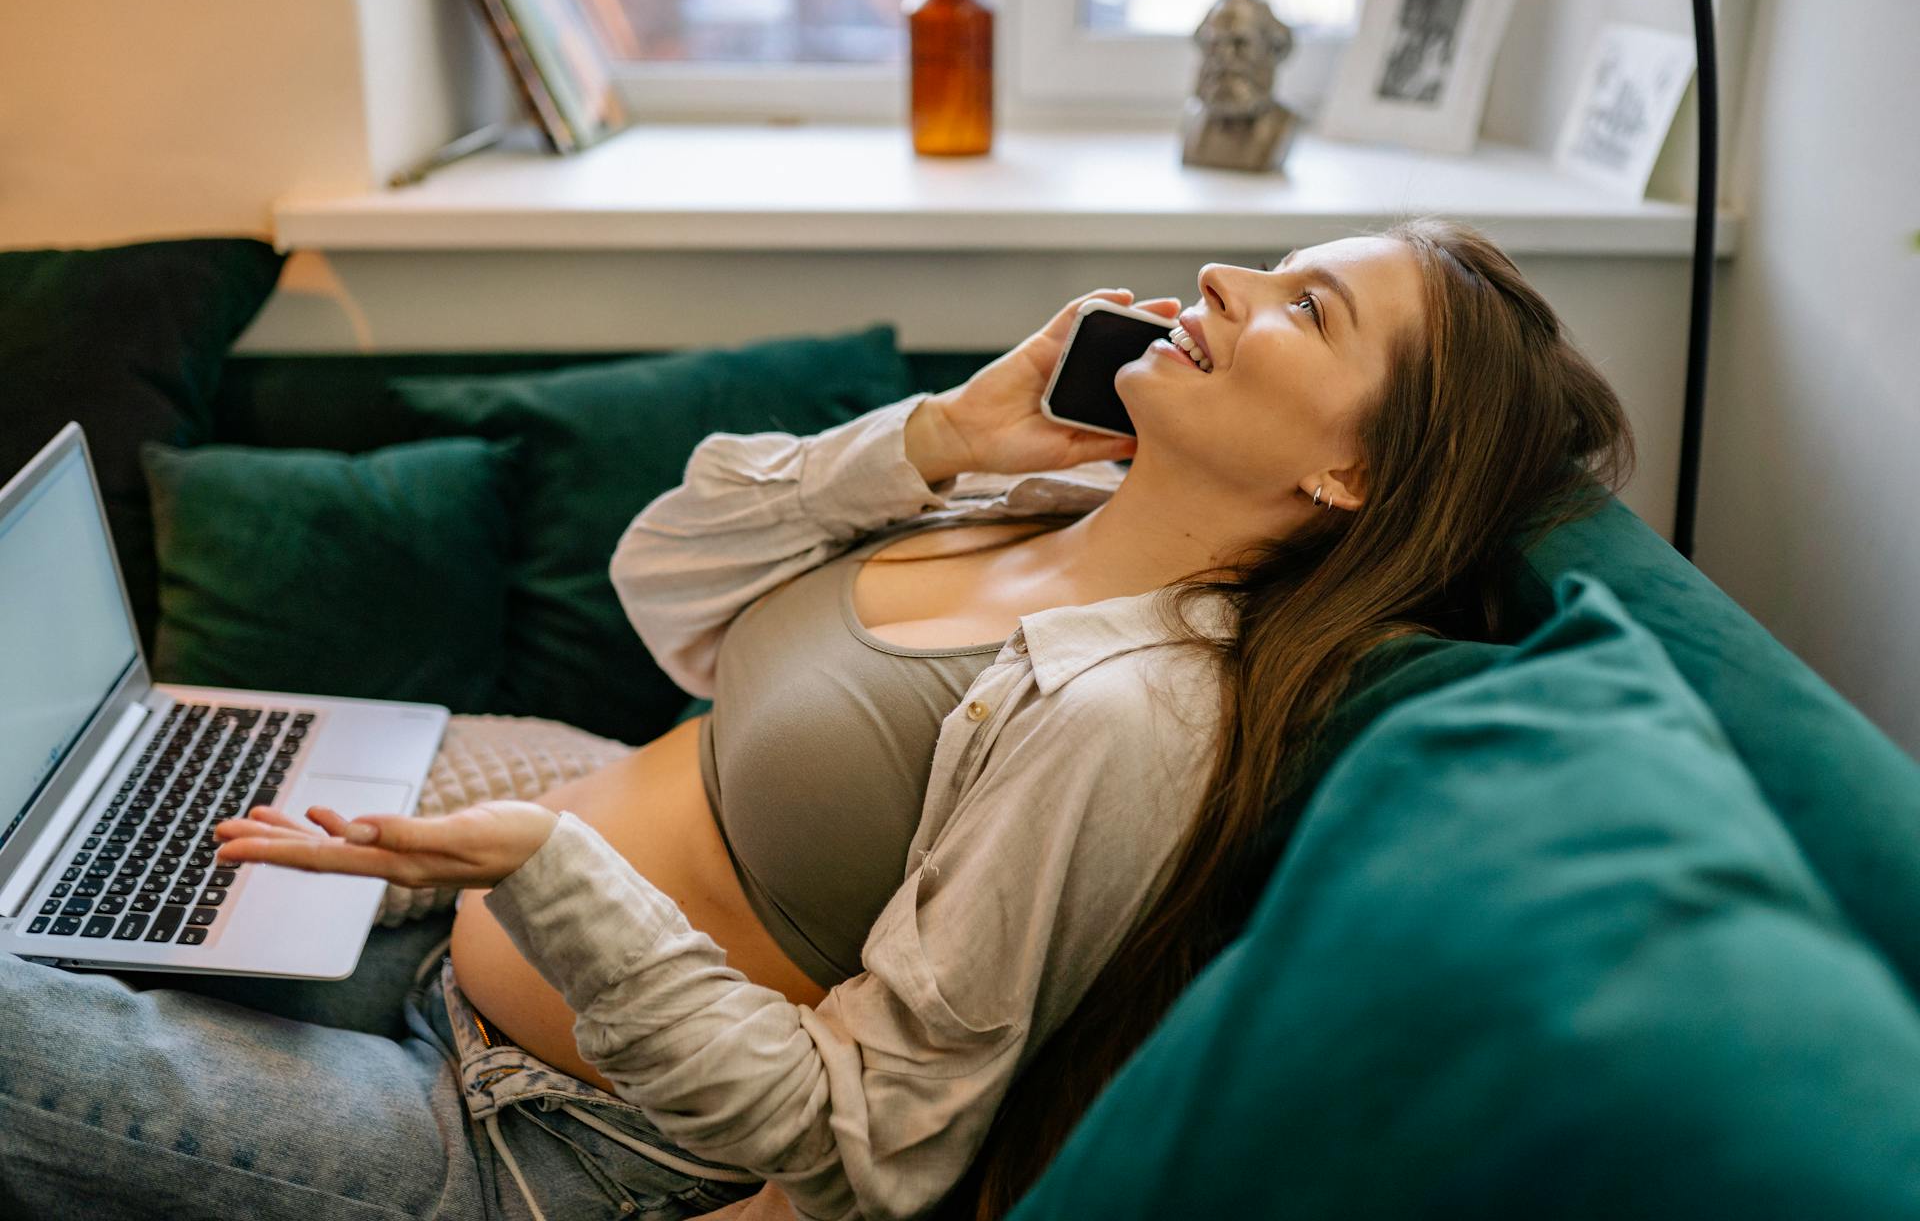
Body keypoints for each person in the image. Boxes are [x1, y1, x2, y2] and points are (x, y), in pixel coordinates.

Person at [0, 218, 1633, 1221]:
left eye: (1304, 310)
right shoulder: (1015, 493)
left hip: (539, 1146)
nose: (1224, 280)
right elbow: (669, 588)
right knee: (60, 872)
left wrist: (553, 870)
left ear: (1349, 477)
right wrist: (938, 431)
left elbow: (871, 1144)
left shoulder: (1130, 718)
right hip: (439, 949)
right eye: (1274, 268)